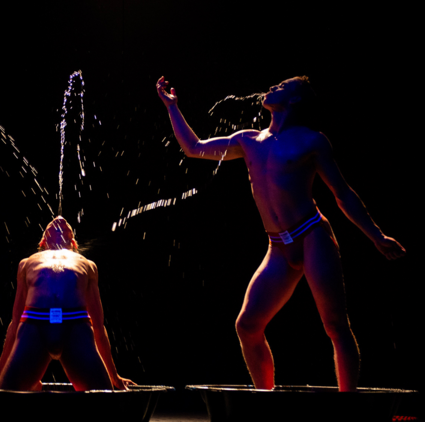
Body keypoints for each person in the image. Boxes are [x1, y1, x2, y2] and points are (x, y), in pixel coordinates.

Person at [156, 75, 405, 392]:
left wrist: (377, 236)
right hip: (277, 247)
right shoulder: (248, 140)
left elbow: (342, 193)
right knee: (247, 326)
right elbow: (194, 148)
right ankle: (265, 400)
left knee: (335, 325)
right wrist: (173, 107)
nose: (272, 88)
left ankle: (349, 406)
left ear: (296, 100)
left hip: (311, 235)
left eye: (282, 87)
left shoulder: (311, 141)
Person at [0, 216, 134, 391]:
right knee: (4, 397)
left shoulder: (88, 265)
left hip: (75, 328)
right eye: (50, 224)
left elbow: (98, 325)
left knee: (104, 398)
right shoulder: (27, 262)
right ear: (43, 240)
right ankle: (32, 385)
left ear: (73, 241)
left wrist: (114, 376)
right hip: (34, 327)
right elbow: (15, 322)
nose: (59, 219)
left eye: (66, 224)